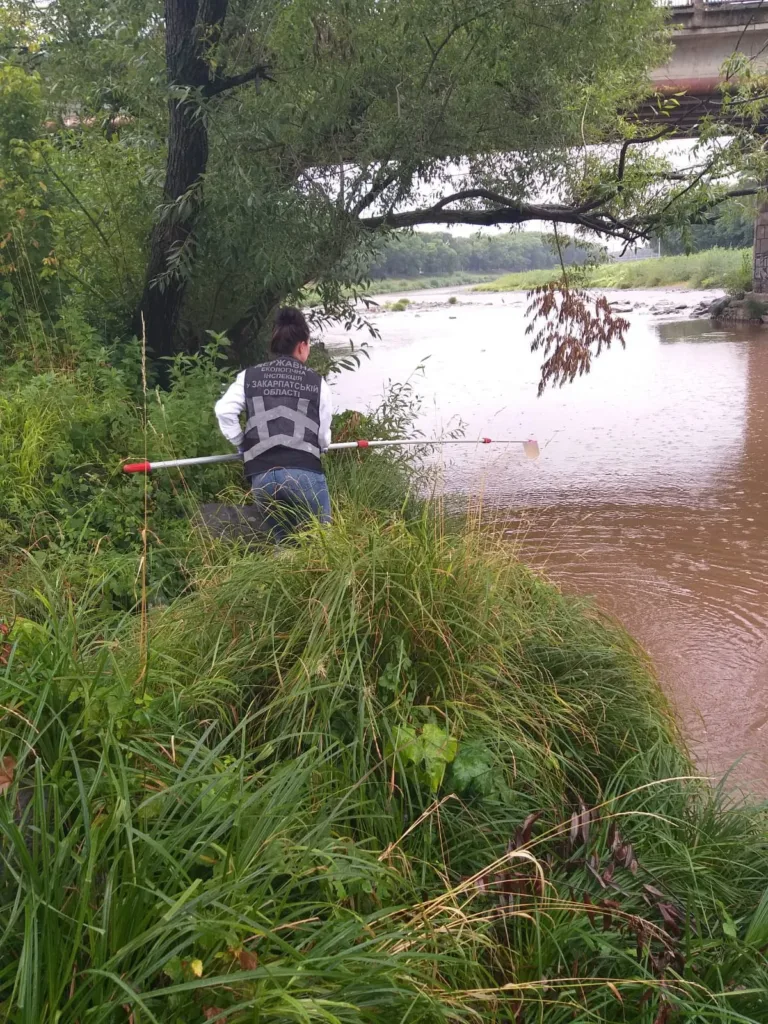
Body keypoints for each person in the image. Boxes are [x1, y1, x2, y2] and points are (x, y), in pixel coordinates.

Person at [214, 307, 332, 542]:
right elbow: (323, 438)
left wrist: (243, 444)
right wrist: (322, 447)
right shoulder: (318, 383)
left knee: (284, 544)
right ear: (302, 346)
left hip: (262, 475)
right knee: (322, 544)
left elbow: (224, 410)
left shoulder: (248, 377)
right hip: (304, 471)